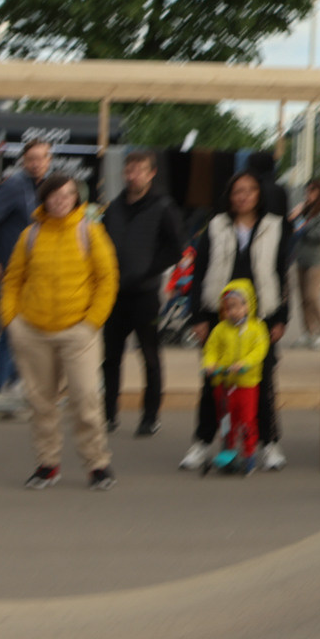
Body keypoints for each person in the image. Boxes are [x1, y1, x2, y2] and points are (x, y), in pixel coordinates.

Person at [0, 170, 120, 490]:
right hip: (33, 331)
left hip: (78, 332)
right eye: (55, 195)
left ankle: (97, 464)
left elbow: (107, 280)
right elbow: (13, 280)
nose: (61, 200)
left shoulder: (90, 232)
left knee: (86, 399)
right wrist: (11, 320)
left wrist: (92, 322)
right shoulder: (30, 235)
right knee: (41, 403)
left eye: (68, 194)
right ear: (44, 199)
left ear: (76, 198)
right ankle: (47, 465)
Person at [180, 173, 293, 472]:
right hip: (218, 315)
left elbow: (283, 274)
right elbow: (200, 270)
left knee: (263, 382)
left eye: (249, 190)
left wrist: (282, 317)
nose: (243, 196)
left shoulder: (274, 226)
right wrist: (198, 317)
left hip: (262, 316)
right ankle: (203, 443)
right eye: (237, 191)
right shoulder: (216, 226)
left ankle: (268, 444)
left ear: (259, 194)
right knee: (212, 382)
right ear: (229, 196)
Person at [100, 150, 185, 436]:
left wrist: (148, 270)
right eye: (129, 170)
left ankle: (150, 416)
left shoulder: (162, 206)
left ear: (151, 174)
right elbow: (101, 243)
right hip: (114, 295)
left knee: (149, 356)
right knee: (110, 357)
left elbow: (176, 248)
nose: (132, 175)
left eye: (139, 170)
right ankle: (108, 414)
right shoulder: (114, 208)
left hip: (145, 295)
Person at [0, 139, 53, 403]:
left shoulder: (46, 188)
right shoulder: (14, 186)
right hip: (12, 271)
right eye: (31, 158)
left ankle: (16, 384)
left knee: (30, 332)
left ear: (49, 160)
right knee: (11, 330)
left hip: (37, 272)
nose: (36, 163)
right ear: (23, 160)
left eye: (41, 158)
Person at [200, 281, 269, 472]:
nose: (233, 311)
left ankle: (249, 453)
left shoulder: (256, 328)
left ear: (248, 306)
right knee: (226, 421)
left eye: (237, 306)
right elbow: (211, 350)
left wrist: (244, 363)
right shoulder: (220, 330)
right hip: (223, 383)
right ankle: (228, 451)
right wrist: (209, 365)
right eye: (228, 307)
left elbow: (260, 350)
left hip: (246, 384)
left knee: (247, 420)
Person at [290, 179, 320, 349]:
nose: (308, 195)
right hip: (302, 259)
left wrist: (302, 225)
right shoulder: (306, 210)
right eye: (307, 191)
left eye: (313, 191)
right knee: (303, 299)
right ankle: (308, 332)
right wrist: (296, 218)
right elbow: (294, 229)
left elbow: (319, 234)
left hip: (318, 260)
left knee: (312, 296)